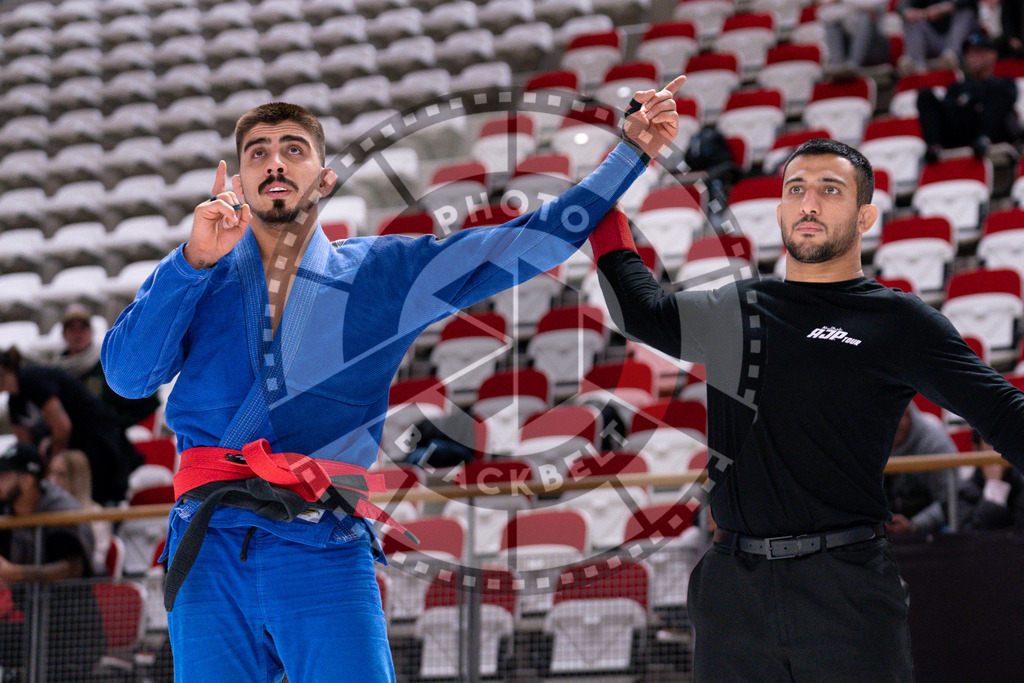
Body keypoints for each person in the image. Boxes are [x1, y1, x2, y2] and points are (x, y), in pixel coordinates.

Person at [101, 81, 684, 682]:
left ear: (324, 180)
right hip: (210, 546)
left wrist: (630, 152)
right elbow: (125, 377)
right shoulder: (196, 273)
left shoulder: (382, 274)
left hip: (320, 540)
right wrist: (190, 263)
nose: (275, 161)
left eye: (294, 149)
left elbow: (526, 242)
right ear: (239, 185)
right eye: (258, 152)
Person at [588, 137, 1024, 679]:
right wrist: (611, 181)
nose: (809, 204)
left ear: (865, 215)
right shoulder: (736, 308)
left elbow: (1005, 414)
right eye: (796, 189)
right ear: (779, 212)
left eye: (829, 190)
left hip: (846, 588)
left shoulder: (899, 322)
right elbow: (639, 311)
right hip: (732, 590)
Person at [0, 442, 104, 680]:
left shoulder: (60, 509)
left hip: (74, 632)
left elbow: (72, 569)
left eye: (4, 475)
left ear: (27, 480)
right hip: (35, 624)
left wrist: (15, 573)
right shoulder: (8, 511)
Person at [0, 347, 141, 504]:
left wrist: (47, 469)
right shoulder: (14, 402)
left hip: (96, 439)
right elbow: (24, 445)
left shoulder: (32, 379)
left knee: (92, 492)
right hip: (73, 443)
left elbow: (62, 427)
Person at [50, 303, 161, 430]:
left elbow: (147, 400)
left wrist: (115, 426)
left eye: (82, 328)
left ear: (91, 332)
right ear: (64, 334)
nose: (78, 334)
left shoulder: (107, 365)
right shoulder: (56, 372)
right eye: (72, 329)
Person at [917, 30, 1021, 162]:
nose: (972, 58)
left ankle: (984, 139)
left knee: (998, 99)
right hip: (959, 134)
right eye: (969, 54)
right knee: (925, 95)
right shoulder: (956, 87)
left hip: (991, 134)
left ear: (992, 55)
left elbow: (999, 109)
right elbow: (950, 112)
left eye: (978, 52)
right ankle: (934, 146)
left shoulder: (1004, 84)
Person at [885, 403, 956, 535]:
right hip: (883, 531)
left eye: (892, 423)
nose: (888, 430)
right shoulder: (871, 441)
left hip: (933, 534)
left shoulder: (934, 441)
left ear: (906, 412)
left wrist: (914, 525)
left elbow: (950, 500)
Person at [46, 449, 113, 574]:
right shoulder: (44, 512)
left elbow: (96, 561)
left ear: (78, 478)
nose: (52, 480)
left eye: (61, 475)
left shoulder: (96, 514)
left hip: (81, 584)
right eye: (50, 473)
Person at [958, 431, 1024, 530]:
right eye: (992, 445)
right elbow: (974, 537)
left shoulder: (1020, 487)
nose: (1001, 451)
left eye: (1005, 443)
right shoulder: (965, 493)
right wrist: (994, 486)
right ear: (976, 450)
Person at [898, 0, 979, 74]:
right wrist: (909, 12)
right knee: (911, 19)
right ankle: (916, 64)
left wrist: (945, 7)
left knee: (965, 12)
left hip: (958, 41)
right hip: (931, 38)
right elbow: (902, 5)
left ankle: (951, 56)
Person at [819, 0, 891, 73]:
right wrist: (851, 7)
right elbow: (823, 15)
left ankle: (853, 65)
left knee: (864, 18)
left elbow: (872, 5)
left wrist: (844, 4)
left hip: (874, 48)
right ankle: (837, 65)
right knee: (831, 24)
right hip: (847, 49)